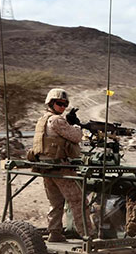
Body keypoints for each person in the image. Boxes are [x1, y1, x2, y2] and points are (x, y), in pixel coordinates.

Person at [31, 88, 93, 242]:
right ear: (51, 103)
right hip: (60, 168)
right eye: (59, 104)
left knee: (56, 203)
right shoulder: (57, 120)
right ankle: (88, 235)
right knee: (79, 201)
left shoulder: (43, 119)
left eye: (65, 104)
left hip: (46, 167)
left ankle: (55, 233)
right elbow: (77, 137)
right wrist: (76, 125)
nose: (63, 107)